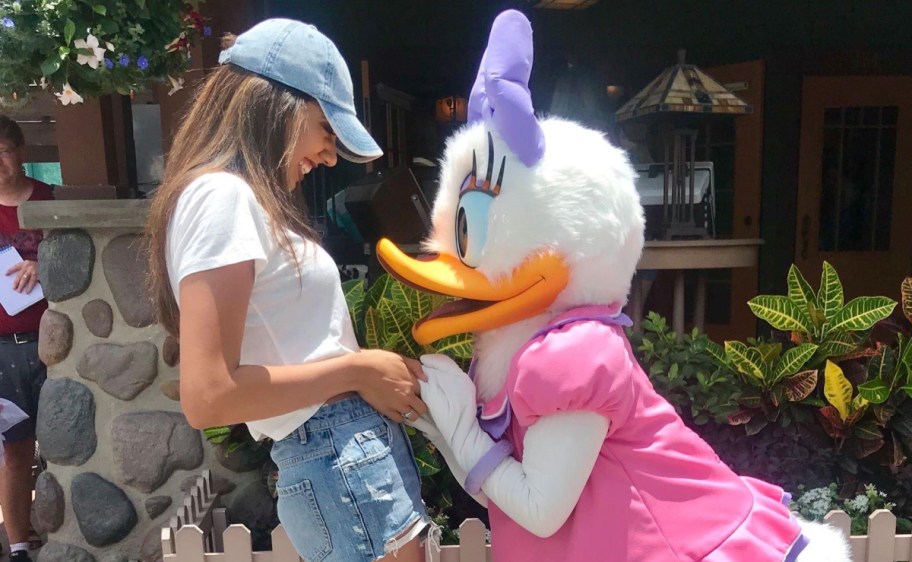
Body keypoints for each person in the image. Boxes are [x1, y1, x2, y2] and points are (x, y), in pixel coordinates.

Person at [145, 19, 431, 562]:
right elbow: (208, 396)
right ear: (276, 104)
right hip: (332, 446)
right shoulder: (222, 197)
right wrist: (358, 370)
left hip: (336, 450)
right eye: (327, 129)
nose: (329, 156)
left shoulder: (230, 196)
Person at [0, 115, 54, 562]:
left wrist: (44, 266)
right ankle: (18, 544)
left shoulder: (50, 199)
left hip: (53, 340)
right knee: (16, 452)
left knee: (63, 444)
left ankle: (63, 530)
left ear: (19, 150)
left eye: (3, 150)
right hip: (2, 349)